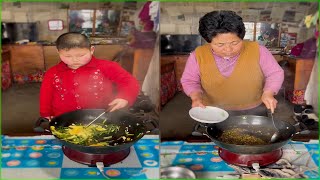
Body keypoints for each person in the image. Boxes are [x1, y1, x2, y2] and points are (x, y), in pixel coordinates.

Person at [181, 10, 284, 115]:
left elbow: (274, 73)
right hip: (212, 111)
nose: (228, 49)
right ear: (208, 41)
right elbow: (190, 81)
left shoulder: (258, 50)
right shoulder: (198, 55)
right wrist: (196, 98)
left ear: (241, 37)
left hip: (254, 109)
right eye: (220, 44)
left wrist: (268, 93)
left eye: (234, 42)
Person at [40, 32, 140, 120]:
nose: (74, 60)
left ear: (91, 50)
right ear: (58, 52)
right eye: (67, 56)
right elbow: (46, 94)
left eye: (80, 55)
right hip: (64, 118)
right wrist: (46, 114)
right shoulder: (52, 73)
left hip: (102, 117)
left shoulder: (107, 67)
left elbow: (129, 82)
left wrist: (124, 97)